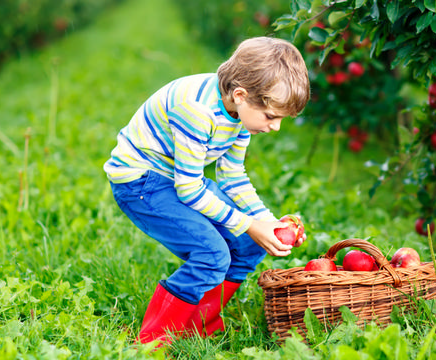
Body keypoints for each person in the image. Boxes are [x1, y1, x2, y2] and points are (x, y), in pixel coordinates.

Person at [103, 37, 310, 345]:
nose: (275, 126)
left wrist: (267, 222)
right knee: (211, 254)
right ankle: (152, 342)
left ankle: (197, 325)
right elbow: (188, 190)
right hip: (140, 182)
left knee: (249, 245)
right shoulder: (196, 112)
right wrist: (250, 224)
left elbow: (232, 175)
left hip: (177, 177)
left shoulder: (240, 114)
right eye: (270, 116)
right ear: (240, 94)